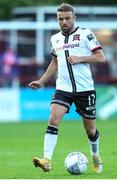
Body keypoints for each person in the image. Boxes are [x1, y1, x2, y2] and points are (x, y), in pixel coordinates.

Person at [28, 3, 106, 173]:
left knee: (90, 130)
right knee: (53, 119)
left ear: (74, 18)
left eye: (67, 18)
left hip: (85, 89)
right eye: (60, 19)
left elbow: (101, 57)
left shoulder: (86, 34)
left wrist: (81, 58)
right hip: (63, 88)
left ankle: (95, 155)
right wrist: (41, 81)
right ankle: (46, 160)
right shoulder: (54, 39)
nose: (64, 21)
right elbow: (55, 62)